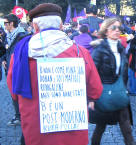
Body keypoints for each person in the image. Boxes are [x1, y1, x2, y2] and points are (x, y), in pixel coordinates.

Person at [6, 3, 102, 145]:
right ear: (61, 26)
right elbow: (96, 91)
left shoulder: (20, 55)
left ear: (35, 27)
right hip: (73, 132)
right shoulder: (80, 53)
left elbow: (14, 92)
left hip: (36, 131)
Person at [90, 17, 136, 145]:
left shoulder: (121, 48)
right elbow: (92, 75)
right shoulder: (99, 50)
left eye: (119, 28)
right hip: (104, 94)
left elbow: (123, 73)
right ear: (106, 31)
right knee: (100, 127)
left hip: (120, 93)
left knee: (127, 130)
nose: (117, 30)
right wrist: (92, 98)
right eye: (113, 28)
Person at [2, 14, 26, 126]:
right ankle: (18, 115)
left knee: (19, 93)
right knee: (13, 93)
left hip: (18, 70)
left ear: (11, 23)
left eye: (5, 23)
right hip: (9, 70)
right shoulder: (7, 36)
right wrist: (3, 59)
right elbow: (4, 51)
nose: (4, 25)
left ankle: (20, 116)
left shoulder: (22, 36)